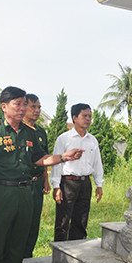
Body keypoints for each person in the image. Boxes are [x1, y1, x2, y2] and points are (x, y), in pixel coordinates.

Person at [0, 86, 84, 263]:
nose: (22, 108)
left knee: (18, 245)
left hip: (25, 195)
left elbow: (40, 159)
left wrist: (64, 157)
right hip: (0, 194)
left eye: (24, 104)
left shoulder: (30, 132)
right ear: (4, 106)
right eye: (17, 104)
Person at [50, 103, 104, 241]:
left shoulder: (92, 140)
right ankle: (60, 253)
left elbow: (97, 163)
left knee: (81, 220)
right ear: (74, 117)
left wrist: (99, 184)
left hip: (85, 183)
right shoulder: (64, 139)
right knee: (63, 221)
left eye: (90, 116)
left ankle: (77, 253)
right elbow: (56, 163)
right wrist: (56, 186)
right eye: (84, 116)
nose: (88, 119)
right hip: (67, 183)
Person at [22, 94, 50, 258]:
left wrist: (45, 180)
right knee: (21, 223)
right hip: (22, 184)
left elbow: (44, 157)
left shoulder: (40, 132)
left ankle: (27, 258)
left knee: (34, 223)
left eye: (39, 107)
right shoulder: (18, 129)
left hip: (37, 183)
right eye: (33, 106)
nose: (37, 110)